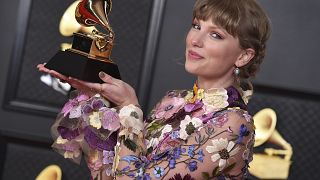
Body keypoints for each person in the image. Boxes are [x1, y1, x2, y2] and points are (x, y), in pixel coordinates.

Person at [37, 0, 271, 179]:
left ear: (243, 56)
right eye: (196, 26)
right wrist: (93, 96)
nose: (195, 40)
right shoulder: (173, 100)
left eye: (215, 34)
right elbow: (113, 173)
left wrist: (129, 107)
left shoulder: (234, 122)